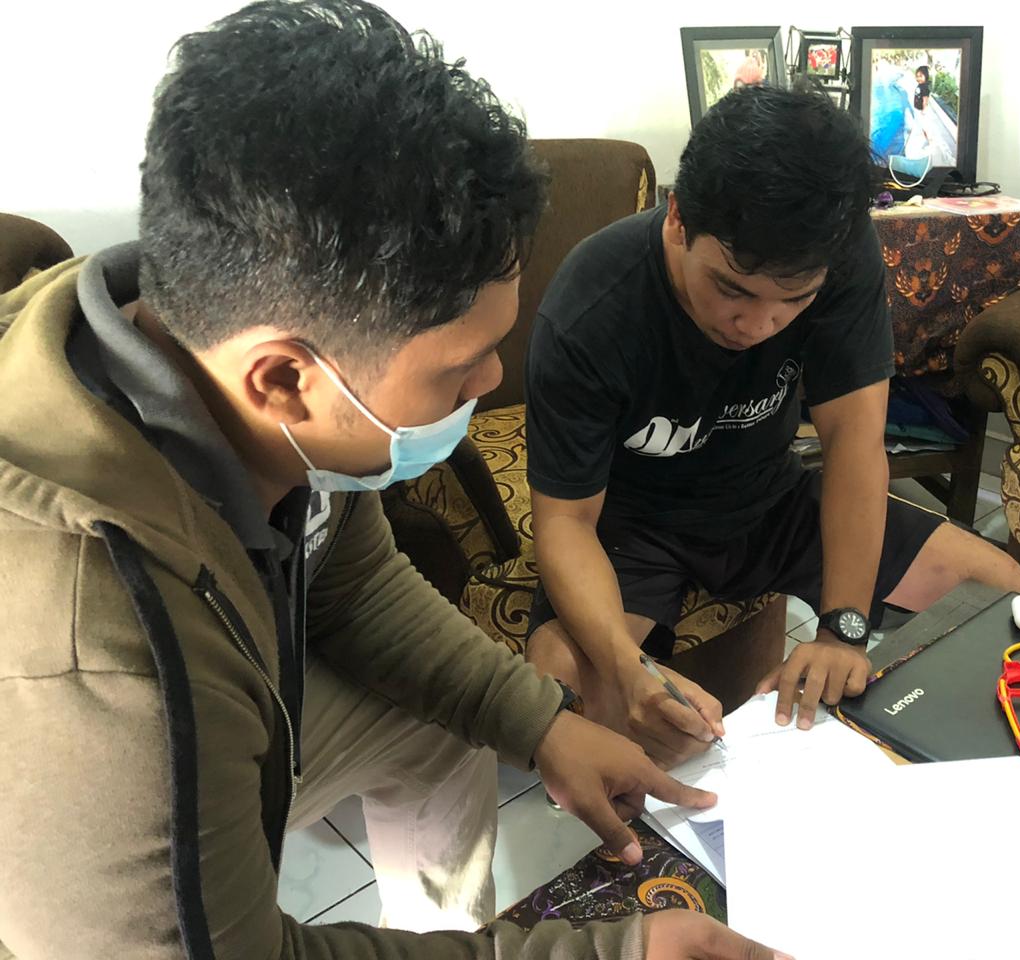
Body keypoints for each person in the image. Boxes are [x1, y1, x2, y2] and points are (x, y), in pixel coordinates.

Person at [0, 3, 785, 958]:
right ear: (284, 379)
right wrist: (599, 950)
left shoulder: (232, 365)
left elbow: (356, 583)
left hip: (236, 693)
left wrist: (541, 724)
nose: (492, 383)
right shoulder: (99, 653)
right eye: (459, 368)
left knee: (442, 727)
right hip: (79, 832)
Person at [523, 84, 1020, 768]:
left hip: (772, 500)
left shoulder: (842, 253)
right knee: (562, 691)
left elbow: (854, 442)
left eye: (793, 300)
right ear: (676, 217)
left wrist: (843, 630)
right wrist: (626, 670)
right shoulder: (592, 306)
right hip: (635, 526)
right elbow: (565, 522)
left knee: (1005, 596)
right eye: (731, 289)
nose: (758, 324)